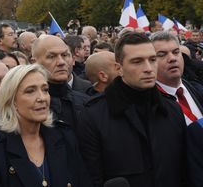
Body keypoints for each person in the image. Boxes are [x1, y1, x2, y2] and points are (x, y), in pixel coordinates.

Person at [78, 32, 187, 187]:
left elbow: (184, 173)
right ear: (119, 68)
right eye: (137, 62)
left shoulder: (172, 109)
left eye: (152, 60)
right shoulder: (93, 116)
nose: (148, 68)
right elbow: (92, 178)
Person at [0, 64, 91, 187]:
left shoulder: (64, 135)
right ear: (12, 100)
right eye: (30, 91)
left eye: (45, 90)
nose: (42, 98)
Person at [32, 35, 89, 131]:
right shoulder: (27, 105)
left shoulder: (85, 101)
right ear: (34, 62)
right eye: (51, 56)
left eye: (64, 55)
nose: (61, 62)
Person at [150, 31, 203, 125]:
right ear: (150, 61)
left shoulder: (197, 89)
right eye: (162, 54)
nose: (172, 58)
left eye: (176, 52)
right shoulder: (149, 105)